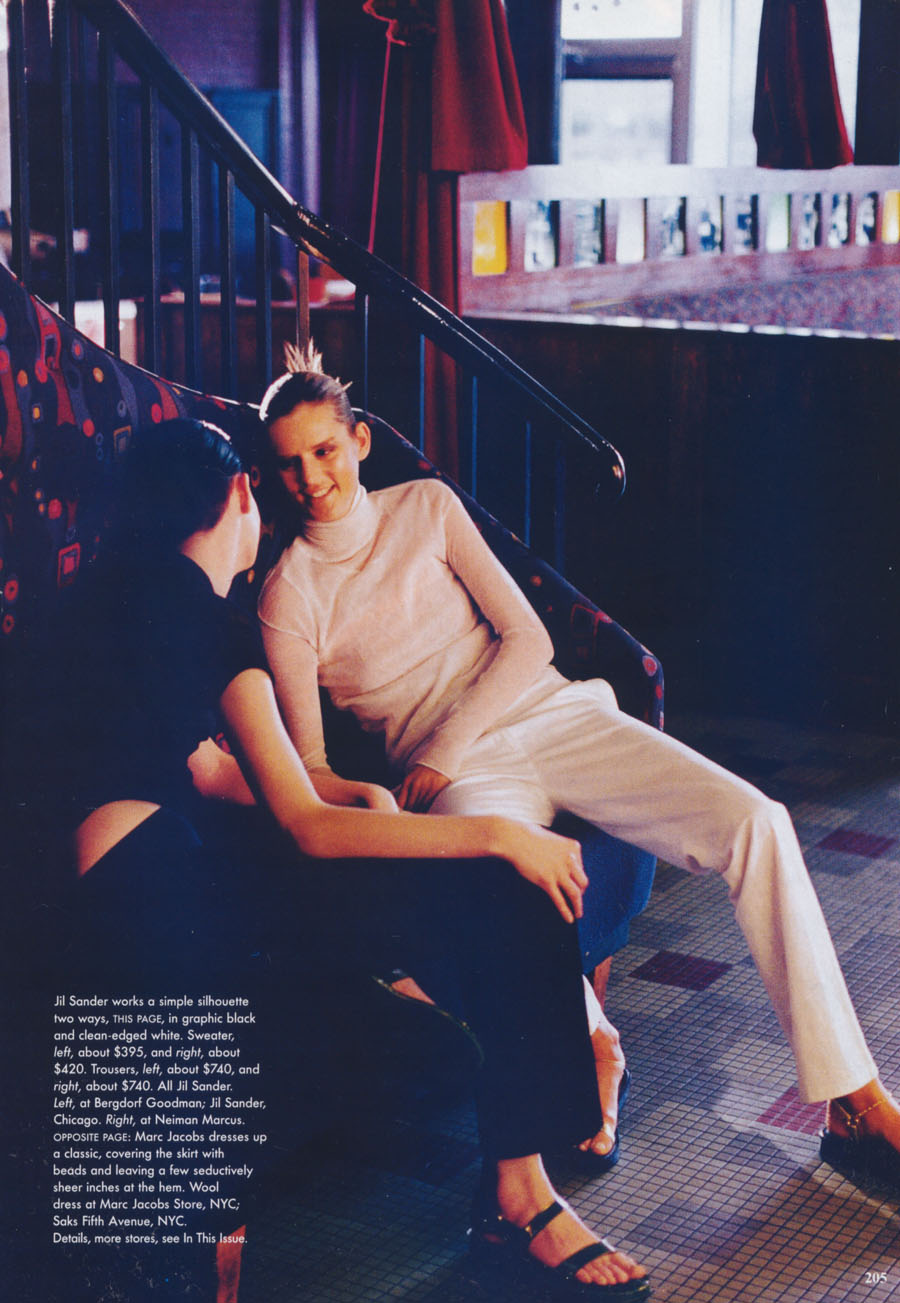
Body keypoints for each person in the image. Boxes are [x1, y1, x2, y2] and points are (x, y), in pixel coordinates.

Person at [31, 416, 650, 1300]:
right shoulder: (215, 618)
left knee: (433, 900)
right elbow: (304, 829)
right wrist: (498, 831)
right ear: (241, 494)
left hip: (91, 883)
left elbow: (202, 768)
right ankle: (523, 1196)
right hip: (155, 888)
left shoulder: (103, 594)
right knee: (507, 881)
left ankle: (480, 1106)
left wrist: (351, 791)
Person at [256, 349, 900, 1195]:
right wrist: (387, 792)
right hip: (457, 782)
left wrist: (444, 742)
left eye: (325, 450)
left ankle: (856, 1099)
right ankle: (598, 1041)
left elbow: (530, 638)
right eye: (290, 462)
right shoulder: (288, 593)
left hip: (554, 715)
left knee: (759, 821)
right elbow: (308, 765)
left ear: (360, 441)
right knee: (512, 891)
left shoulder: (427, 507)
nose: (312, 478)